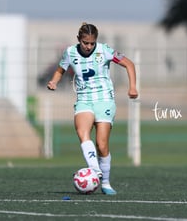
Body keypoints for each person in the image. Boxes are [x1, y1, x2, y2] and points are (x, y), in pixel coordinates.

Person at [47, 22, 138, 195]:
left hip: (104, 99)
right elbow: (60, 70)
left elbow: (129, 64)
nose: (89, 46)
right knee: (83, 133)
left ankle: (105, 182)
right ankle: (95, 170)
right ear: (78, 40)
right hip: (84, 100)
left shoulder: (104, 50)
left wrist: (132, 87)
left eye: (91, 43)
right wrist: (54, 81)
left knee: (102, 145)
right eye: (85, 43)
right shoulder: (70, 52)